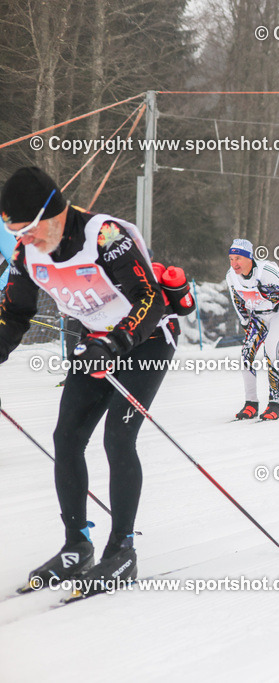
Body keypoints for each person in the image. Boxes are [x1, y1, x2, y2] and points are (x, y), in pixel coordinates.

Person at [1, 167, 179, 594]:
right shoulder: (27, 254)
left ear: (53, 212)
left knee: (118, 438)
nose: (21, 239)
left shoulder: (104, 236)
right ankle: (76, 544)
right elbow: (14, 315)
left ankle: (122, 549)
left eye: (25, 229)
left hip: (146, 339)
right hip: (96, 341)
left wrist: (117, 342)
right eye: (13, 232)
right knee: (67, 438)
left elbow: (150, 299)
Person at [228, 239, 279, 420]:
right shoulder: (231, 275)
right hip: (258, 314)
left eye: (238, 258)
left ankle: (275, 402)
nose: (234, 264)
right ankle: (251, 403)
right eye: (231, 259)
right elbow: (236, 298)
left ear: (249, 258)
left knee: (271, 348)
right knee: (246, 353)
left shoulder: (267, 271)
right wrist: (244, 320)